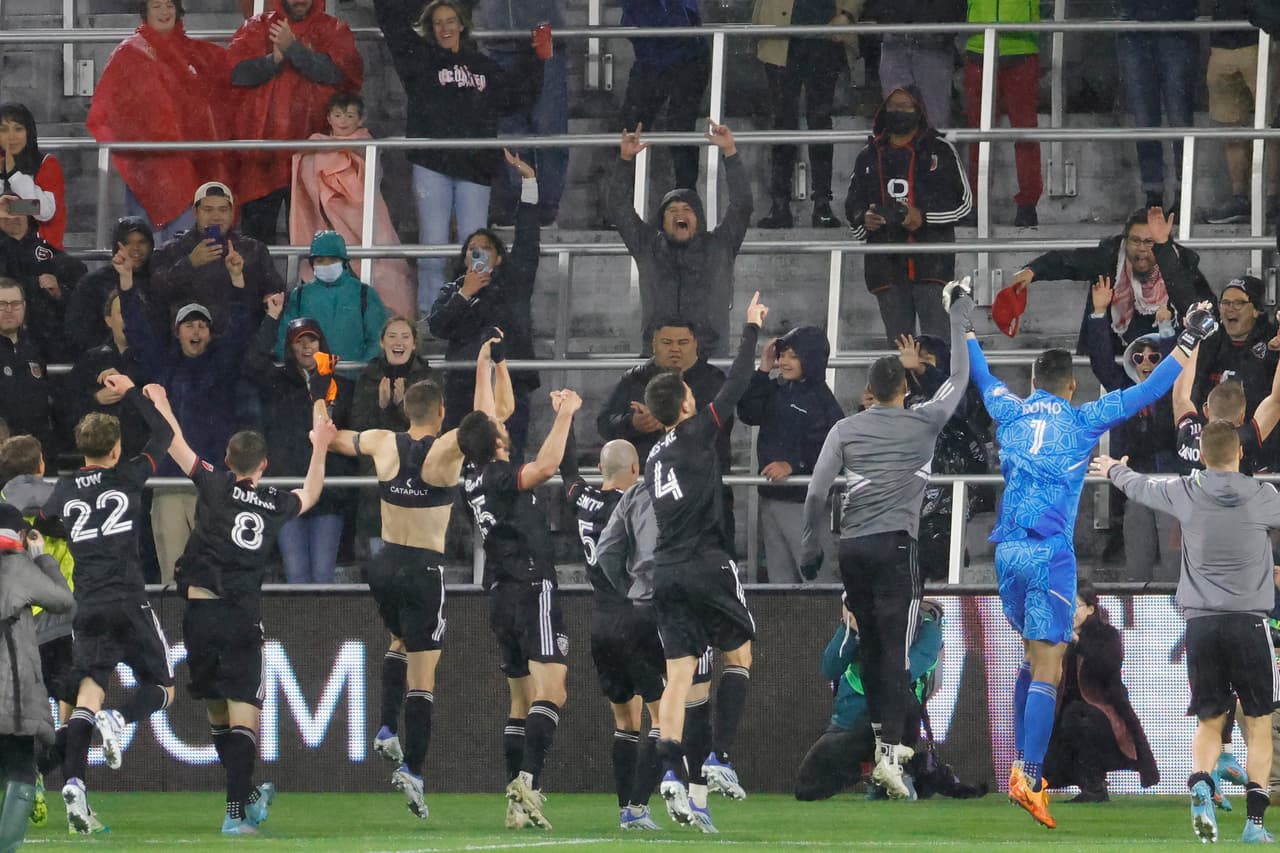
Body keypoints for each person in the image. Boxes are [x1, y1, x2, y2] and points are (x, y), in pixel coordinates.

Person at [966, 303, 1217, 829]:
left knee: (1031, 658)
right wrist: (1189, 339)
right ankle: (1030, 777)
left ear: (1032, 383)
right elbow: (1149, 391)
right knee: (1050, 664)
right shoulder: (1082, 420)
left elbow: (982, 375)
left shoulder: (1010, 411)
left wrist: (965, 328)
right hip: (1048, 554)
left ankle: (1021, 765)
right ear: (1072, 386)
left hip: (1006, 553)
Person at [799, 282, 972, 799]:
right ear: (903, 389)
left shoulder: (845, 430)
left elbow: (817, 491)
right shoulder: (924, 421)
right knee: (895, 653)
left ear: (870, 391)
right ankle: (893, 753)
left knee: (872, 648)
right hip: (897, 547)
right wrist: (957, 317)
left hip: (852, 548)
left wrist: (811, 545)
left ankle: (881, 743)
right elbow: (959, 379)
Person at [328, 344, 504, 820]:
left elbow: (335, 438)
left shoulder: (383, 441)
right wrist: (484, 366)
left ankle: (387, 727)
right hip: (424, 567)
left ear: (406, 411)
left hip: (384, 563)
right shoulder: (447, 447)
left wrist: (322, 409)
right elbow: (485, 424)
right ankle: (415, 771)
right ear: (441, 412)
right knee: (423, 678)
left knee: (397, 640)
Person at [152, 390, 333, 834]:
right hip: (238, 617)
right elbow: (311, 492)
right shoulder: (274, 503)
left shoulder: (214, 483)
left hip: (198, 615)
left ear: (227, 460)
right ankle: (234, 815)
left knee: (218, 715)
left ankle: (247, 796)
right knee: (245, 715)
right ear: (264, 465)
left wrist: (161, 403)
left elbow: (174, 442)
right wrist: (321, 444)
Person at [1094, 422, 1279, 843]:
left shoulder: (1185, 491)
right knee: (1258, 724)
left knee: (1210, 721)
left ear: (1203, 455)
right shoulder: (1263, 496)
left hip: (1200, 626)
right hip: (1249, 624)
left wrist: (1112, 468)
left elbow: (1139, 487)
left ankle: (1200, 781)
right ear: (1239, 454)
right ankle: (1254, 825)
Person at [642, 292, 768, 827]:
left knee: (678, 675)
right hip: (706, 562)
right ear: (685, 405)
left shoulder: (653, 455)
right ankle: (720, 756)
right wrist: (751, 329)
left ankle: (672, 771)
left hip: (665, 570)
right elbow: (735, 386)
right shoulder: (695, 434)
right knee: (739, 656)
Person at [40, 374, 176, 835]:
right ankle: (120, 718)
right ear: (116, 449)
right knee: (163, 687)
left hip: (88, 605)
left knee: (87, 694)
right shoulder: (128, 474)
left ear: (82, 450)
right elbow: (164, 434)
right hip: (129, 600)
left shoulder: (64, 490)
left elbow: (46, 523)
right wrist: (134, 392)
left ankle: (75, 786)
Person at [458, 377, 581, 830]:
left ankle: (515, 801)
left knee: (520, 699)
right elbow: (546, 467)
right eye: (498, 427)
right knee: (553, 691)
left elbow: (481, 419)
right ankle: (527, 782)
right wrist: (565, 415)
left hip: (499, 591)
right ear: (493, 442)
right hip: (532, 586)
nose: (504, 426)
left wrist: (487, 364)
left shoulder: (470, 475)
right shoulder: (497, 474)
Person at [373, 0, 547, 313]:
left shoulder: (482, 65)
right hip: (432, 164)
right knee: (433, 244)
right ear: (430, 27)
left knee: (476, 244)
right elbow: (392, 23)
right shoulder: (419, 58)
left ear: (462, 24)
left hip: (476, 168)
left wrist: (537, 59)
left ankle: (472, 312)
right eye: (438, 22)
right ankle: (430, 313)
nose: (445, 28)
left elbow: (517, 97)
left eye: (451, 20)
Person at [593, 453, 721, 832]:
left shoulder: (628, 495)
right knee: (680, 703)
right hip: (672, 606)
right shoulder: (688, 491)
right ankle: (673, 779)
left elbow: (605, 552)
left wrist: (629, 586)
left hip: (626, 613)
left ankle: (631, 809)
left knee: (633, 717)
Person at [121, 245, 255, 583]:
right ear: (177, 331)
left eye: (202, 326)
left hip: (211, 485)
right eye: (189, 325)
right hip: (168, 483)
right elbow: (137, 331)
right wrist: (125, 283)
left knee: (212, 575)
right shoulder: (162, 365)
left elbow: (241, 331)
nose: (196, 331)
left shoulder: (222, 366)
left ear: (210, 333)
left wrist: (237, 281)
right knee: (172, 575)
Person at [86, 0, 232, 242]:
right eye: (156, 5)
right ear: (145, 12)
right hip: (146, 168)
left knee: (186, 244)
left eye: (169, 5)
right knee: (145, 245)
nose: (164, 12)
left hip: (191, 165)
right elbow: (108, 109)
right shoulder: (129, 53)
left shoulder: (195, 52)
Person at [427, 150, 542, 457]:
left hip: (511, 383)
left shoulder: (516, 283)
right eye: (472, 249)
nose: (478, 253)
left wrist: (529, 182)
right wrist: (464, 295)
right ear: (465, 258)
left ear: (499, 257)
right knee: (460, 461)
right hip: (464, 385)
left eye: (486, 249)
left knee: (508, 459)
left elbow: (528, 239)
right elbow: (437, 327)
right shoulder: (452, 290)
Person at [606, 123, 752, 357]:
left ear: (699, 219)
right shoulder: (648, 246)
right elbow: (618, 207)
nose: (679, 214)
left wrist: (730, 152)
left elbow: (742, 205)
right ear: (662, 221)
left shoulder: (720, 246)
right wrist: (625, 160)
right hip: (658, 361)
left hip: (709, 361)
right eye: (671, 210)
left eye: (687, 209)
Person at [228, 0, 364, 244]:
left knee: (315, 242)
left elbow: (340, 74)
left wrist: (294, 50)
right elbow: (234, 74)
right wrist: (272, 60)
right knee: (257, 244)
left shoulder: (333, 29)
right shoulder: (256, 27)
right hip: (261, 159)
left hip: (314, 157)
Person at [846, 87, 972, 345]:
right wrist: (865, 219)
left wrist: (923, 218)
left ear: (919, 110)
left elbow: (965, 204)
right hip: (886, 269)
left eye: (906, 106)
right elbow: (852, 207)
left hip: (932, 265)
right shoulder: (868, 155)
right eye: (893, 106)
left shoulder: (941, 150)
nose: (899, 112)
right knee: (900, 351)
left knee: (936, 349)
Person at [1005, 207, 1215, 355]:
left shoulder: (1181, 263)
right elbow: (1067, 261)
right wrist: (1032, 271)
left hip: (1167, 362)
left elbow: (1197, 306)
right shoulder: (1110, 258)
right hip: (1116, 360)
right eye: (1135, 241)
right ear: (1125, 240)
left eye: (1150, 242)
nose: (1142, 248)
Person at [244, 302, 353, 583]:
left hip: (329, 495)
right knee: (296, 576)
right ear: (289, 347)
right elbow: (253, 361)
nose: (306, 347)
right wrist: (272, 317)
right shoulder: (275, 382)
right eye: (298, 341)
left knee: (322, 576)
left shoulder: (342, 386)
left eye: (312, 340)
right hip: (287, 491)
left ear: (321, 343)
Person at [794, 599, 943, 802]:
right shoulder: (859, 621)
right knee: (807, 788)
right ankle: (872, 772)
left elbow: (900, 675)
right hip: (848, 724)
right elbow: (829, 668)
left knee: (899, 696)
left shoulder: (927, 629)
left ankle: (897, 767)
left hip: (894, 720)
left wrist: (873, 639)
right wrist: (851, 629)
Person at [1084, 279, 1181, 581]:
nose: (1146, 362)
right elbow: (1101, 363)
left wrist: (1167, 331)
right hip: (1136, 485)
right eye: (1139, 357)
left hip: (1171, 487)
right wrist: (1099, 313)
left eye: (1154, 357)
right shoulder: (1124, 391)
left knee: (1174, 569)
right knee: (1137, 567)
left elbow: (1177, 369)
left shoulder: (1176, 392)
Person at [289, 93, 416, 320]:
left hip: (362, 215)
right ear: (328, 118)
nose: (343, 121)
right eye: (338, 115)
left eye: (349, 116)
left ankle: (388, 317)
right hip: (327, 218)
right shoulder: (315, 145)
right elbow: (307, 182)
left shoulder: (368, 145)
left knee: (381, 266)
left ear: (361, 119)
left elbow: (371, 182)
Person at [737, 326, 843, 583]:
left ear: (811, 359)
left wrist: (794, 466)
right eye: (782, 355)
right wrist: (763, 369)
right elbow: (748, 412)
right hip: (771, 498)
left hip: (804, 504)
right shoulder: (776, 389)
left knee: (817, 581)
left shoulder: (823, 402)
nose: (784, 362)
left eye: (793, 356)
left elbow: (836, 453)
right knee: (780, 582)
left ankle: (824, 614)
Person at [0, 504, 74, 852]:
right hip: (9, 690)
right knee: (21, 768)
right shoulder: (17, 567)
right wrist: (42, 557)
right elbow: (64, 602)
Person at [1043, 581, 1159, 802]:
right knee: (1066, 717)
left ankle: (1095, 786)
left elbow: (1108, 667)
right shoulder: (1054, 636)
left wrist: (1078, 642)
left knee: (1077, 715)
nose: (1069, 612)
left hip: (1103, 714)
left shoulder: (1107, 635)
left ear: (1090, 609)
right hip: (1062, 713)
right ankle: (1087, 785)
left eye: (1075, 606)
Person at [462, 0, 568, 227]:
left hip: (543, 38)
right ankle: (521, 206)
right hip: (497, 42)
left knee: (549, 129)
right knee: (510, 132)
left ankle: (546, 211)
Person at [751, 0, 855, 228]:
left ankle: (822, 204)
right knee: (783, 121)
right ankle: (779, 205)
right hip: (780, 34)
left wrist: (847, 14)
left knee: (820, 121)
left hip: (826, 37)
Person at [350, 317, 440, 554]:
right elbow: (359, 428)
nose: (398, 342)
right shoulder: (369, 377)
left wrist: (401, 406)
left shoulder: (428, 379)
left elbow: (432, 428)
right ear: (382, 342)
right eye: (392, 336)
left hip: (417, 465)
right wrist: (381, 407)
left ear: (414, 343)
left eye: (405, 337)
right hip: (378, 467)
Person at [150, 182, 285, 331]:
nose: (216, 217)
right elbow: (153, 292)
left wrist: (264, 296)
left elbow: (275, 292)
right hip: (187, 340)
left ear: (232, 213)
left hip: (240, 337)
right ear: (195, 212)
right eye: (208, 210)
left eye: (223, 210)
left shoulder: (253, 250)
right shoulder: (173, 250)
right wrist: (189, 263)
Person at [597, 320, 729, 466]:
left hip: (700, 469)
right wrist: (632, 423)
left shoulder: (714, 380)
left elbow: (721, 427)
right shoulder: (635, 378)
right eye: (667, 343)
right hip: (646, 471)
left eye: (683, 343)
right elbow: (604, 423)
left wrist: (669, 418)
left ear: (695, 344)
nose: (675, 349)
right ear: (654, 345)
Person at [963, 0, 1042, 226]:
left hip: (1021, 43)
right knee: (978, 133)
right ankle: (976, 202)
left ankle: (1027, 204)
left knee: (1025, 131)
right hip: (980, 43)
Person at [618, 0, 708, 191]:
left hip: (686, 56)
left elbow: (684, 18)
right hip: (653, 57)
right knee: (631, 127)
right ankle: (623, 199)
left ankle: (686, 197)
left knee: (679, 128)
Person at [1203, 0, 1279, 225]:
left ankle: (1272, 197)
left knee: (1271, 123)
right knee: (1231, 126)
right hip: (1223, 39)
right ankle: (1240, 198)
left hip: (1261, 37)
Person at [1116, 0, 1196, 210]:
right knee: (1145, 119)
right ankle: (1154, 196)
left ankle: (1180, 193)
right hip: (1137, 28)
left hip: (1173, 25)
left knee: (1178, 117)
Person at [276, 230, 387, 362]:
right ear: (312, 264)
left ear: (344, 262)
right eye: (320, 260)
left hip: (353, 374)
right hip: (310, 373)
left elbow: (378, 339)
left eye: (332, 260)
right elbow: (284, 339)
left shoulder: (364, 294)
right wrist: (299, 369)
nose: (326, 265)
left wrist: (362, 369)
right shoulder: (300, 295)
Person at [0, 208, 86, 363]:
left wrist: (59, 292)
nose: (11, 218)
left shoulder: (55, 255)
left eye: (17, 210)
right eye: (6, 212)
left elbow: (80, 301)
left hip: (48, 345)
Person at [1188, 276, 1280, 419]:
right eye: (1225, 302)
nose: (1230, 308)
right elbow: (1192, 395)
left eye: (1239, 303)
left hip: (1258, 430)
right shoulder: (1208, 344)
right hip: (1213, 430)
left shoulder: (1273, 346)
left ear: (1256, 310)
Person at [65, 217, 155, 354]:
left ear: (151, 245)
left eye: (142, 242)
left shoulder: (160, 281)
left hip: (151, 360)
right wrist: (108, 352)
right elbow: (77, 331)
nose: (136, 248)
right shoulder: (93, 283)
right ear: (116, 246)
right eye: (127, 242)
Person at [877, 1, 964, 132]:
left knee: (936, 118)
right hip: (895, 32)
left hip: (934, 35)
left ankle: (935, 145)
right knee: (896, 115)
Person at [0, 278, 55, 457]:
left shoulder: (35, 347)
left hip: (36, 449)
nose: (9, 310)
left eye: (15, 304)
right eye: (2, 304)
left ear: (24, 307)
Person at [0, 102, 65, 249]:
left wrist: (14, 174)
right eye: (3, 130)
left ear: (28, 132)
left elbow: (45, 211)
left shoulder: (47, 163)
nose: (11, 137)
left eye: (18, 129)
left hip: (39, 252)